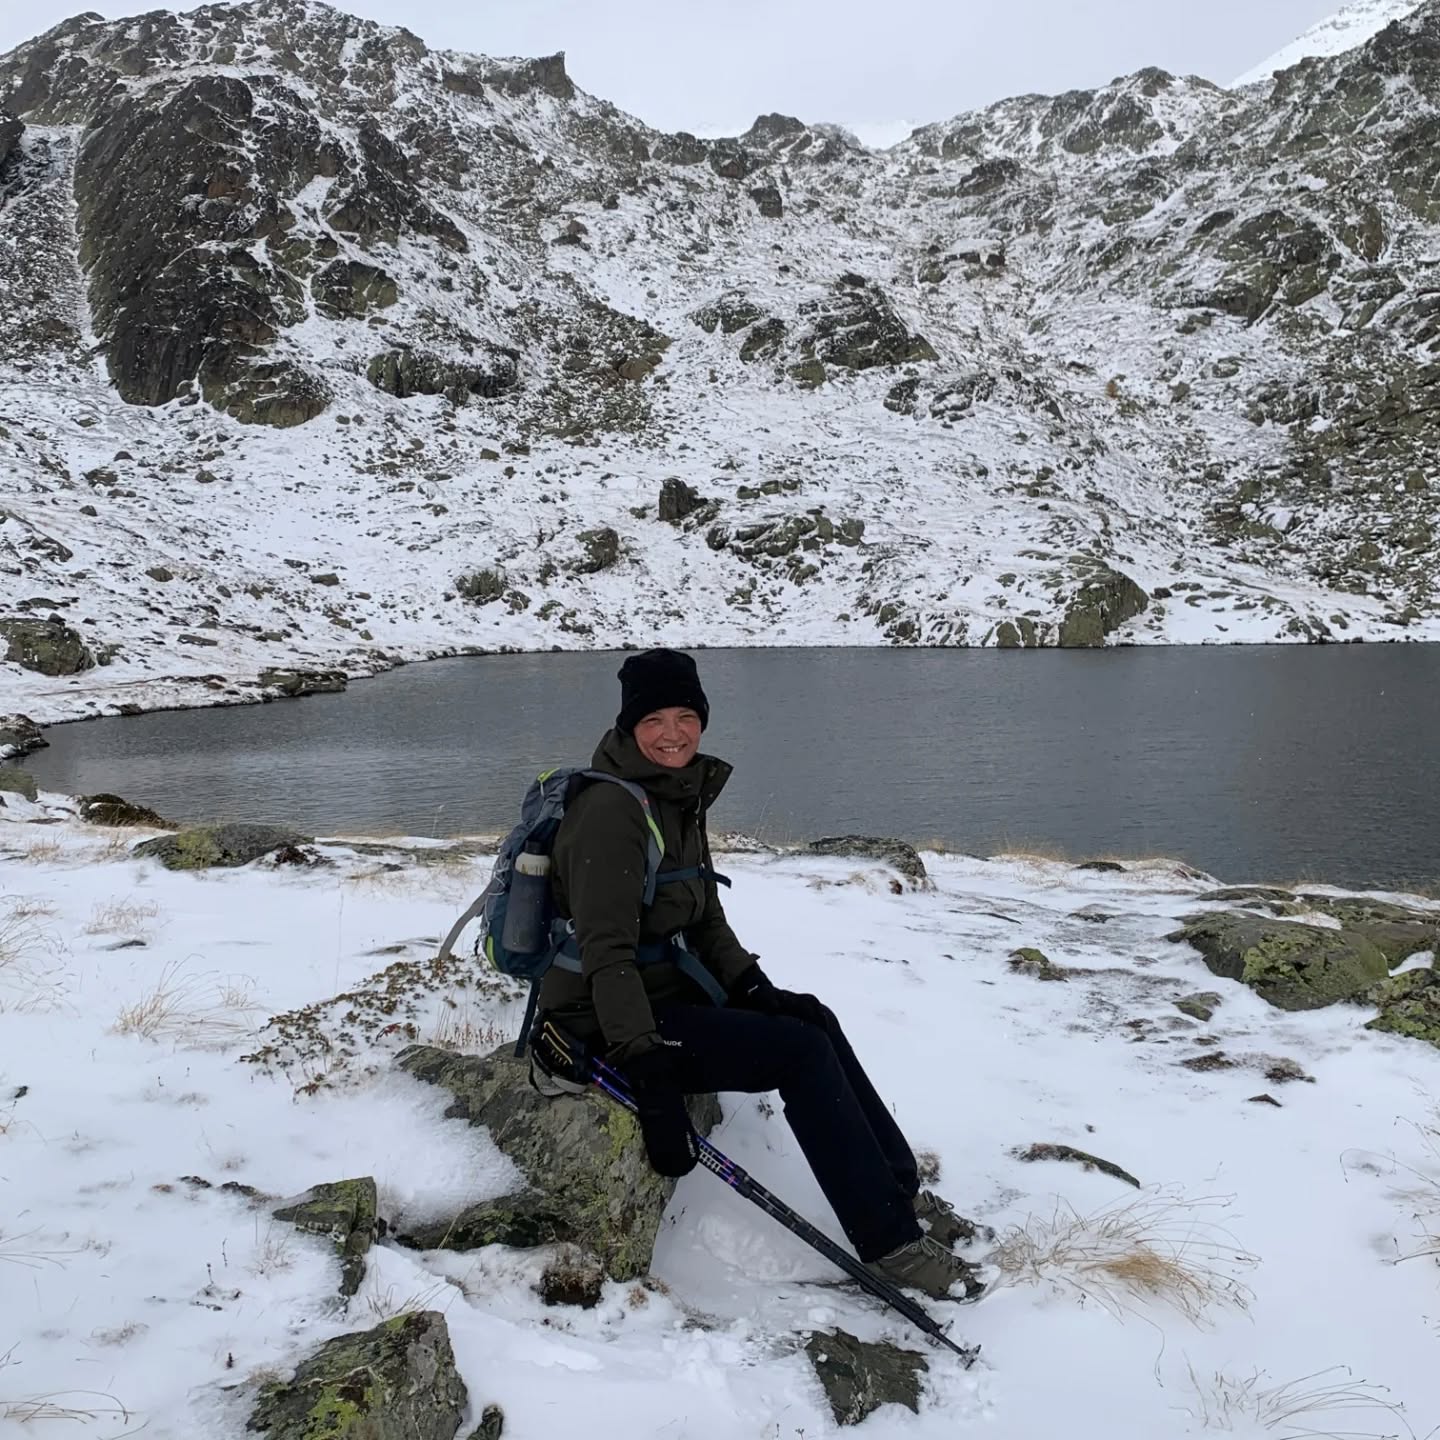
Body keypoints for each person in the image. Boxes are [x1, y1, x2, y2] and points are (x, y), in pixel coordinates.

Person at [532, 647, 983, 1302]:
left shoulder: (674, 795)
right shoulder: (611, 812)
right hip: (600, 1019)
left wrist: (753, 988)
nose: (673, 733)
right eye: (654, 719)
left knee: (812, 1019)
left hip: (662, 994)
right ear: (629, 726)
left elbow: (705, 917)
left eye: (686, 717)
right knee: (798, 1054)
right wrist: (648, 1068)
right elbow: (607, 954)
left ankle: (901, 1194)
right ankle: (891, 1245)